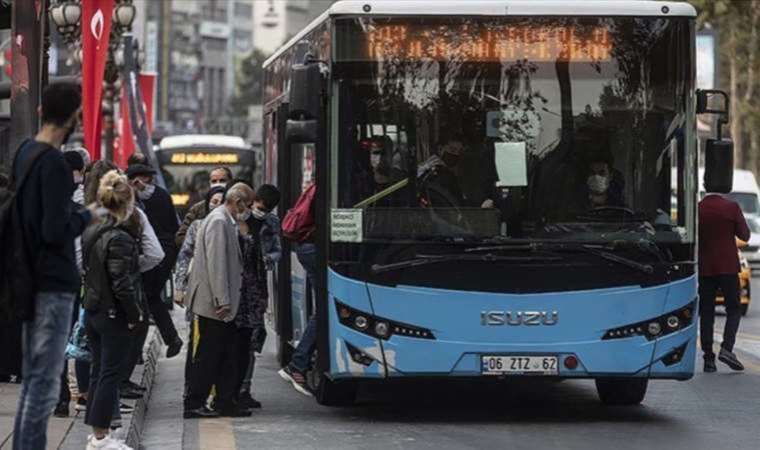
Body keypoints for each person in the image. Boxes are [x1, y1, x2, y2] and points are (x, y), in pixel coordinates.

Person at [11, 82, 101, 450]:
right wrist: (87, 215)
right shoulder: (53, 164)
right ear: (75, 116)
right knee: (45, 385)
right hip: (53, 284)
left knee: (34, 380)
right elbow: (55, 230)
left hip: (30, 278)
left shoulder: (25, 153)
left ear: (40, 111)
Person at [82, 171, 144, 450]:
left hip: (94, 310)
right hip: (112, 313)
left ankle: (97, 435)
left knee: (99, 372)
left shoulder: (93, 229)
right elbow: (122, 283)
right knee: (109, 374)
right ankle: (101, 437)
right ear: (127, 203)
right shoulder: (120, 237)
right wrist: (134, 315)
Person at [184, 183, 254, 419]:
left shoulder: (224, 220)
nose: (248, 210)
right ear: (238, 202)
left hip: (219, 301)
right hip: (214, 303)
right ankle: (195, 402)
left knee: (224, 353)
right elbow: (217, 264)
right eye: (248, 205)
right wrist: (222, 300)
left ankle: (223, 401)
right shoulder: (219, 221)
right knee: (209, 355)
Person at [126, 163, 183, 360]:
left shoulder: (156, 197)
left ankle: (167, 340)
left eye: (146, 178)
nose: (144, 183)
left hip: (158, 254)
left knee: (147, 298)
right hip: (155, 254)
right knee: (149, 299)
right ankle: (170, 338)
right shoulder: (136, 197)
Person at [235, 184, 282, 409]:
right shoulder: (236, 219)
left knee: (251, 342)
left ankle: (244, 389)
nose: (261, 211)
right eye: (259, 206)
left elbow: (277, 250)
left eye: (266, 209)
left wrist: (267, 260)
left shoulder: (272, 224)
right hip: (235, 288)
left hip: (256, 291)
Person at [698, 188, 751, 373]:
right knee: (734, 309)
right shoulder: (731, 207)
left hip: (705, 268)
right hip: (728, 267)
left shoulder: (698, 209)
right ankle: (727, 348)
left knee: (706, 313)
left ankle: (708, 359)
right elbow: (745, 235)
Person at [176, 167, 233, 247]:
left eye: (222, 180)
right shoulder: (197, 209)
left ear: (230, 182)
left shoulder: (237, 206)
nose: (218, 183)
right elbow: (180, 238)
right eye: (214, 181)